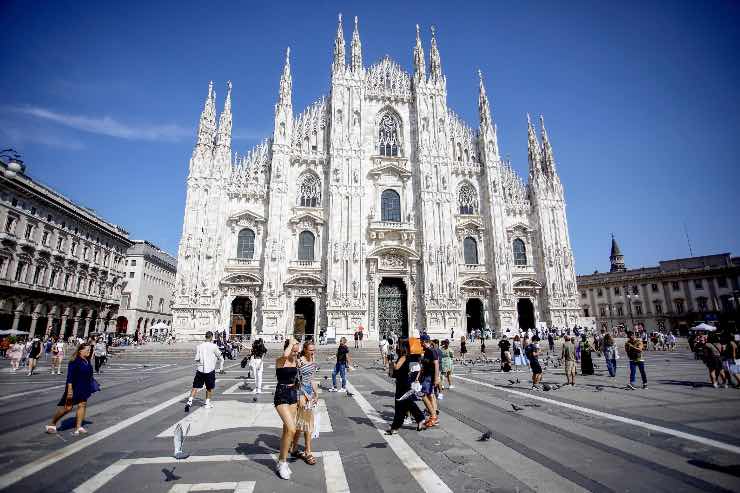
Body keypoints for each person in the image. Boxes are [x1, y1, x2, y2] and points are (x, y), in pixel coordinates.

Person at [45, 343, 97, 435]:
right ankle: (52, 423)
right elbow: (70, 376)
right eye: (87, 350)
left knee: (82, 405)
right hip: (74, 386)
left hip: (83, 386)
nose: (89, 351)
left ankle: (78, 427)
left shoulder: (87, 360)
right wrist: (69, 390)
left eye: (90, 350)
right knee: (68, 408)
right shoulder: (75, 361)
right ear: (81, 351)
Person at [386, 340, 426, 434]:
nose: (397, 347)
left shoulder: (404, 357)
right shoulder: (404, 356)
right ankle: (420, 419)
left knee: (400, 405)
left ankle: (395, 427)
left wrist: (391, 362)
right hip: (402, 383)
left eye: (399, 346)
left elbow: (396, 367)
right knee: (407, 403)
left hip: (403, 384)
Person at [274, 337, 300, 480]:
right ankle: (282, 463)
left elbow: (297, 379)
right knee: (291, 429)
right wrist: (291, 342)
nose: (297, 347)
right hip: (281, 395)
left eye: (297, 345)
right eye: (294, 347)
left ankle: (281, 458)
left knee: (286, 430)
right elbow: (285, 355)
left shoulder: (296, 360)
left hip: (293, 395)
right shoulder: (280, 360)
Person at [291, 341, 319, 466]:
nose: (313, 352)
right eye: (311, 350)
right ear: (305, 350)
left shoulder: (312, 360)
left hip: (309, 393)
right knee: (308, 423)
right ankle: (308, 451)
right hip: (300, 393)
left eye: (314, 350)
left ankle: (294, 446)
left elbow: (312, 378)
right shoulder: (299, 361)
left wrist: (316, 393)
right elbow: (295, 381)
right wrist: (300, 396)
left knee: (302, 423)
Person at [185, 331, 224, 412]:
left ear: (205, 337)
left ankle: (189, 401)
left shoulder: (199, 346)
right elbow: (219, 355)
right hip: (209, 370)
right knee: (209, 387)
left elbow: (197, 358)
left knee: (195, 386)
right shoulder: (214, 346)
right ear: (211, 337)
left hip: (200, 369)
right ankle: (207, 403)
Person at [417, 334, 439, 428]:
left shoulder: (431, 350)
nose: (420, 343)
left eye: (421, 342)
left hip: (429, 377)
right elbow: (424, 365)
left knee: (423, 394)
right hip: (426, 376)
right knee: (430, 395)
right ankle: (433, 417)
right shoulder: (426, 351)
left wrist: (436, 378)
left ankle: (433, 416)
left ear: (424, 341)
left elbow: (436, 364)